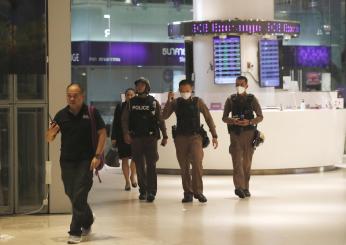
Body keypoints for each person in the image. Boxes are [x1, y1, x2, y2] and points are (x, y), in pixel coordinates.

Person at [46, 83, 106, 244]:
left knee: (79, 193)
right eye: (69, 95)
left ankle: (75, 231)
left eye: (75, 95)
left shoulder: (91, 113)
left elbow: (102, 133)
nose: (72, 98)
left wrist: (97, 155)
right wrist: (50, 133)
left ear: (82, 96)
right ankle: (87, 219)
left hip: (86, 160)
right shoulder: (61, 115)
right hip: (66, 160)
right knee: (70, 193)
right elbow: (49, 138)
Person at [162, 79, 218, 203]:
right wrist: (168, 101)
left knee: (197, 163)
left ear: (191, 90)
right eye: (182, 91)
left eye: (187, 90)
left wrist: (214, 135)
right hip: (180, 137)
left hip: (195, 137)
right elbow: (164, 116)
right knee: (184, 166)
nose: (184, 93)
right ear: (179, 90)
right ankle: (188, 193)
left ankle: (198, 192)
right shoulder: (175, 103)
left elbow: (208, 118)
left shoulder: (198, 102)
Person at [121, 78, 168, 202]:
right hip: (136, 138)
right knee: (140, 165)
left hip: (151, 138)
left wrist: (165, 135)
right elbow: (124, 120)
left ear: (147, 87)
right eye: (138, 85)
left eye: (142, 85)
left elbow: (160, 119)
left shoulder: (153, 102)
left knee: (151, 165)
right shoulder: (131, 102)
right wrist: (126, 133)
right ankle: (143, 190)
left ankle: (152, 192)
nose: (140, 87)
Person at [222, 76, 263, 199]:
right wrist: (232, 121)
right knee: (236, 162)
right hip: (235, 134)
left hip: (249, 134)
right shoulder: (230, 99)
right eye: (237, 84)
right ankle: (238, 187)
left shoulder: (252, 99)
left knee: (246, 162)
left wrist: (249, 122)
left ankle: (246, 187)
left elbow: (260, 116)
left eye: (241, 84)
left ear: (246, 86)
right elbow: (224, 117)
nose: (239, 86)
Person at [111, 88, 137, 191]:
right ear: (125, 96)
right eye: (128, 95)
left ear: (134, 95)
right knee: (125, 159)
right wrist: (113, 137)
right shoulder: (120, 106)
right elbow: (116, 122)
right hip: (122, 137)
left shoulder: (137, 106)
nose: (130, 97)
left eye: (132, 95)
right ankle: (127, 181)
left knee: (135, 158)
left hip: (135, 137)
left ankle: (133, 176)